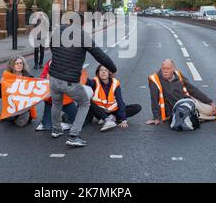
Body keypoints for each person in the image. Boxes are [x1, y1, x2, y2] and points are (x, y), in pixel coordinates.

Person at [49, 12, 117, 147]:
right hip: (69, 80)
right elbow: (99, 55)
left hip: (53, 77)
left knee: (56, 103)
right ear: (82, 23)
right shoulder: (82, 36)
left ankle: (56, 130)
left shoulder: (58, 31)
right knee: (85, 102)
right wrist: (112, 69)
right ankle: (74, 136)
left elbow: (52, 47)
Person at [147, 59, 216, 127]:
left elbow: (192, 89)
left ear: (173, 69)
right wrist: (156, 117)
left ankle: (203, 116)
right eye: (163, 68)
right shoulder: (155, 79)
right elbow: (154, 99)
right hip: (175, 109)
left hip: (188, 101)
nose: (165, 71)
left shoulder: (178, 75)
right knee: (191, 116)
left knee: (210, 111)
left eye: (168, 69)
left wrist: (209, 101)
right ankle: (201, 117)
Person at [85, 65, 141, 132]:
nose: (103, 72)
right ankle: (107, 120)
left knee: (137, 107)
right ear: (98, 73)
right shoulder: (95, 81)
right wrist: (80, 73)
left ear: (109, 73)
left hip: (114, 111)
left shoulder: (115, 83)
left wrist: (124, 120)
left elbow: (120, 101)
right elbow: (87, 82)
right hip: (100, 111)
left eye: (106, 70)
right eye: (101, 70)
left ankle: (113, 118)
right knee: (88, 101)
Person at [35, 59, 77, 131]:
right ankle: (48, 119)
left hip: (65, 100)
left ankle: (65, 117)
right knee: (47, 126)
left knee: (78, 122)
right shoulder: (50, 62)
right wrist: (46, 77)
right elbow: (42, 77)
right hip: (51, 101)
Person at [0, 56, 37, 127]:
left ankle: (19, 116)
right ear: (12, 65)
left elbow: (34, 95)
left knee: (20, 124)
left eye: (21, 63)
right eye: (17, 63)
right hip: (12, 106)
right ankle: (11, 116)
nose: (19, 65)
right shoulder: (8, 77)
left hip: (24, 106)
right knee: (10, 118)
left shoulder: (29, 77)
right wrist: (1, 84)